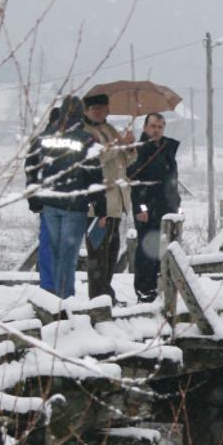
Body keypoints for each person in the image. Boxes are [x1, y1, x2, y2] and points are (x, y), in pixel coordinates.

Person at [31, 96, 106, 299]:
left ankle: (52, 297)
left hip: (50, 202)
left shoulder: (44, 138)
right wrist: (101, 208)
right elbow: (94, 176)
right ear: (81, 114)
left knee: (54, 251)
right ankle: (64, 300)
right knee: (68, 255)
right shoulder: (86, 140)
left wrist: (35, 199)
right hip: (75, 205)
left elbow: (32, 168)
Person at [81, 93, 136, 304]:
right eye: (94, 108)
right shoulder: (85, 132)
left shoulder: (109, 129)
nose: (98, 112)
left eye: (102, 108)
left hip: (117, 199)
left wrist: (129, 146)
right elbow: (97, 158)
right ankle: (98, 299)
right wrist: (115, 144)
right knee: (97, 254)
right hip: (98, 202)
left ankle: (107, 295)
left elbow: (125, 161)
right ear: (86, 111)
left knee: (111, 254)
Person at [126, 112, 181, 303]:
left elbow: (172, 180)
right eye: (153, 126)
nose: (156, 130)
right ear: (145, 127)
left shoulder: (168, 149)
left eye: (160, 127)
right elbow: (135, 182)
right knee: (146, 251)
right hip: (147, 209)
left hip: (167, 208)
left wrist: (177, 204)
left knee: (165, 250)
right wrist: (141, 208)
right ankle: (145, 292)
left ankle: (162, 287)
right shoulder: (138, 150)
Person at [24, 106, 60, 292]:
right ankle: (52, 285)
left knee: (49, 245)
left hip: (48, 200)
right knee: (54, 245)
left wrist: (34, 199)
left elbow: (30, 172)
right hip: (57, 201)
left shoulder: (39, 141)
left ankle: (50, 284)